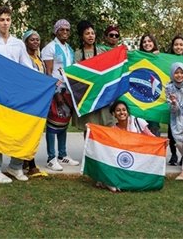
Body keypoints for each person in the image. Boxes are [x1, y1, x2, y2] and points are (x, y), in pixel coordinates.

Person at [0, 6, 33, 183]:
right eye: (2, 19)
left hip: (14, 93)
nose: (5, 23)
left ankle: (15, 166)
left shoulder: (18, 43)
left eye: (8, 19)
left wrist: (45, 82)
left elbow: (27, 68)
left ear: (11, 21)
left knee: (19, 128)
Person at [41, 19, 79, 171]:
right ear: (56, 31)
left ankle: (62, 154)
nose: (65, 32)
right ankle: (51, 157)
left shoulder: (69, 48)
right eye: (61, 30)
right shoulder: (50, 48)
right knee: (53, 123)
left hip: (68, 90)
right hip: (56, 90)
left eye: (67, 30)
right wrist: (56, 92)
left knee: (63, 124)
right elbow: (48, 73)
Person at [96, 100, 154, 192]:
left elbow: (152, 138)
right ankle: (109, 181)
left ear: (127, 112)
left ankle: (114, 182)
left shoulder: (137, 122)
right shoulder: (113, 130)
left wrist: (162, 142)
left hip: (138, 159)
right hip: (123, 161)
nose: (122, 112)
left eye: (124, 110)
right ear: (114, 114)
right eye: (118, 110)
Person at [73, 20, 115, 132]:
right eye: (87, 33)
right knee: (89, 127)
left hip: (102, 95)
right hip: (87, 96)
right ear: (82, 36)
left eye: (92, 33)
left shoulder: (103, 52)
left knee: (105, 126)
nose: (90, 36)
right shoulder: (77, 54)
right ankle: (89, 150)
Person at [21, 29, 48, 178]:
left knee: (36, 131)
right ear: (25, 42)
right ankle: (31, 165)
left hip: (39, 100)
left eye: (37, 39)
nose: (36, 42)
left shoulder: (40, 59)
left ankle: (26, 160)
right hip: (28, 100)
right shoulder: (24, 58)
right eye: (32, 40)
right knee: (29, 131)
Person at [166, 35, 183, 165]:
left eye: (181, 44)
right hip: (172, 100)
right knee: (171, 130)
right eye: (176, 44)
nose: (178, 47)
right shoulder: (166, 59)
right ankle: (173, 155)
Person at [138, 33, 161, 137]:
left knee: (154, 128)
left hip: (155, 99)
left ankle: (156, 152)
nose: (147, 44)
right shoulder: (137, 57)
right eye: (144, 42)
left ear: (154, 43)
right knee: (140, 127)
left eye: (149, 41)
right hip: (140, 98)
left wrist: (158, 57)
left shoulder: (160, 58)